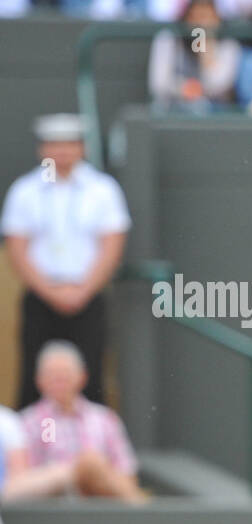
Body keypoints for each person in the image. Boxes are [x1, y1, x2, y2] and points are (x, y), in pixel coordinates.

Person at [1, 114, 131, 409]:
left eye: (70, 144)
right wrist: (50, 290)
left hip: (87, 297)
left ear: (82, 147)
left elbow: (111, 246)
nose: (62, 152)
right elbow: (17, 248)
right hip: (41, 297)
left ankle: (90, 449)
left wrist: (82, 290)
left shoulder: (102, 190)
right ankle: (33, 449)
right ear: (42, 149)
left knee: (92, 376)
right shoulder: (25, 191)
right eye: (55, 144)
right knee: (34, 376)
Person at [18, 341, 147, 503]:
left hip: (102, 503)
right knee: (89, 464)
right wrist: (77, 471)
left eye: (65, 375)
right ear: (39, 380)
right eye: (53, 376)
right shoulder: (28, 423)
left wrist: (93, 472)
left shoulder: (105, 419)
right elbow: (20, 479)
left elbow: (127, 474)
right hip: (48, 505)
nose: (59, 382)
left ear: (82, 377)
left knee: (93, 464)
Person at [149, 0, 242, 111]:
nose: (200, 24)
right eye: (195, 17)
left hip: (213, 113)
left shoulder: (228, 44)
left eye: (207, 17)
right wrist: (184, 88)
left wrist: (206, 49)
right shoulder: (169, 38)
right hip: (172, 109)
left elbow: (218, 85)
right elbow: (159, 84)